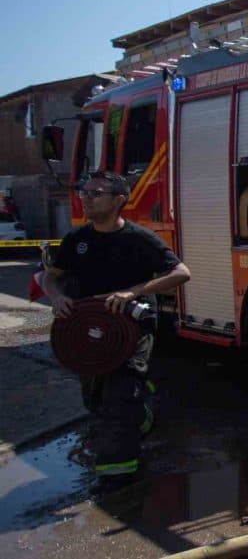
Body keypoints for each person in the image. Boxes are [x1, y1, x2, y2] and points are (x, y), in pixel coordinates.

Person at [41, 171, 191, 492]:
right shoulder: (76, 240)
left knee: (120, 396)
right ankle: (141, 416)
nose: (86, 196)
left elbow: (181, 272)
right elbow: (50, 277)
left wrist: (132, 292)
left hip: (132, 327)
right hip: (91, 331)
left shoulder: (139, 239)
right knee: (96, 398)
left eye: (96, 192)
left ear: (119, 199)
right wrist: (58, 298)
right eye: (85, 191)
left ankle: (116, 478)